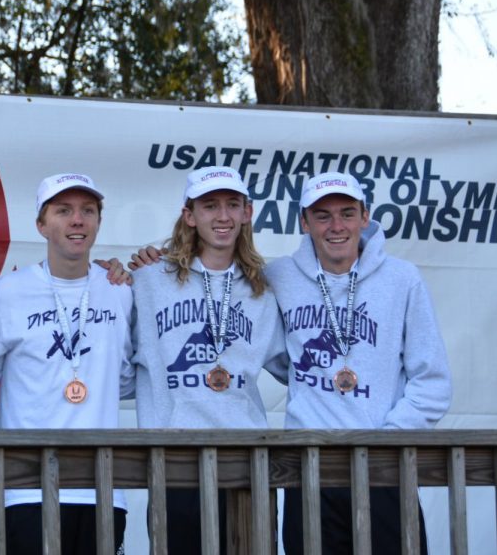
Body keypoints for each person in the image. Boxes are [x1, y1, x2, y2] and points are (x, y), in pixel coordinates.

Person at [264, 172, 452, 554]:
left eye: (347, 213)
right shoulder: (278, 276)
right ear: (304, 222)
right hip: (308, 470)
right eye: (322, 215)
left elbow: (432, 380)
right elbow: (270, 350)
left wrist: (386, 440)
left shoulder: (402, 280)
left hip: (385, 470)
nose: (336, 226)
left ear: (365, 217)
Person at [127, 166, 287, 554]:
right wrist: (109, 270)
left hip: (247, 463)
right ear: (189, 215)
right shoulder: (149, 281)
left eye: (233, 205)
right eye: (210, 205)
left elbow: (295, 367)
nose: (223, 216)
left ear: (247, 213)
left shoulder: (263, 290)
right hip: (174, 463)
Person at [0, 173, 133, 555]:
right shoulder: (7, 293)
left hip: (102, 491)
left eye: (88, 211)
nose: (77, 220)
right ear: (41, 224)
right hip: (27, 491)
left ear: (99, 222)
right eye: (63, 211)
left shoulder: (120, 290)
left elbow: (129, 378)